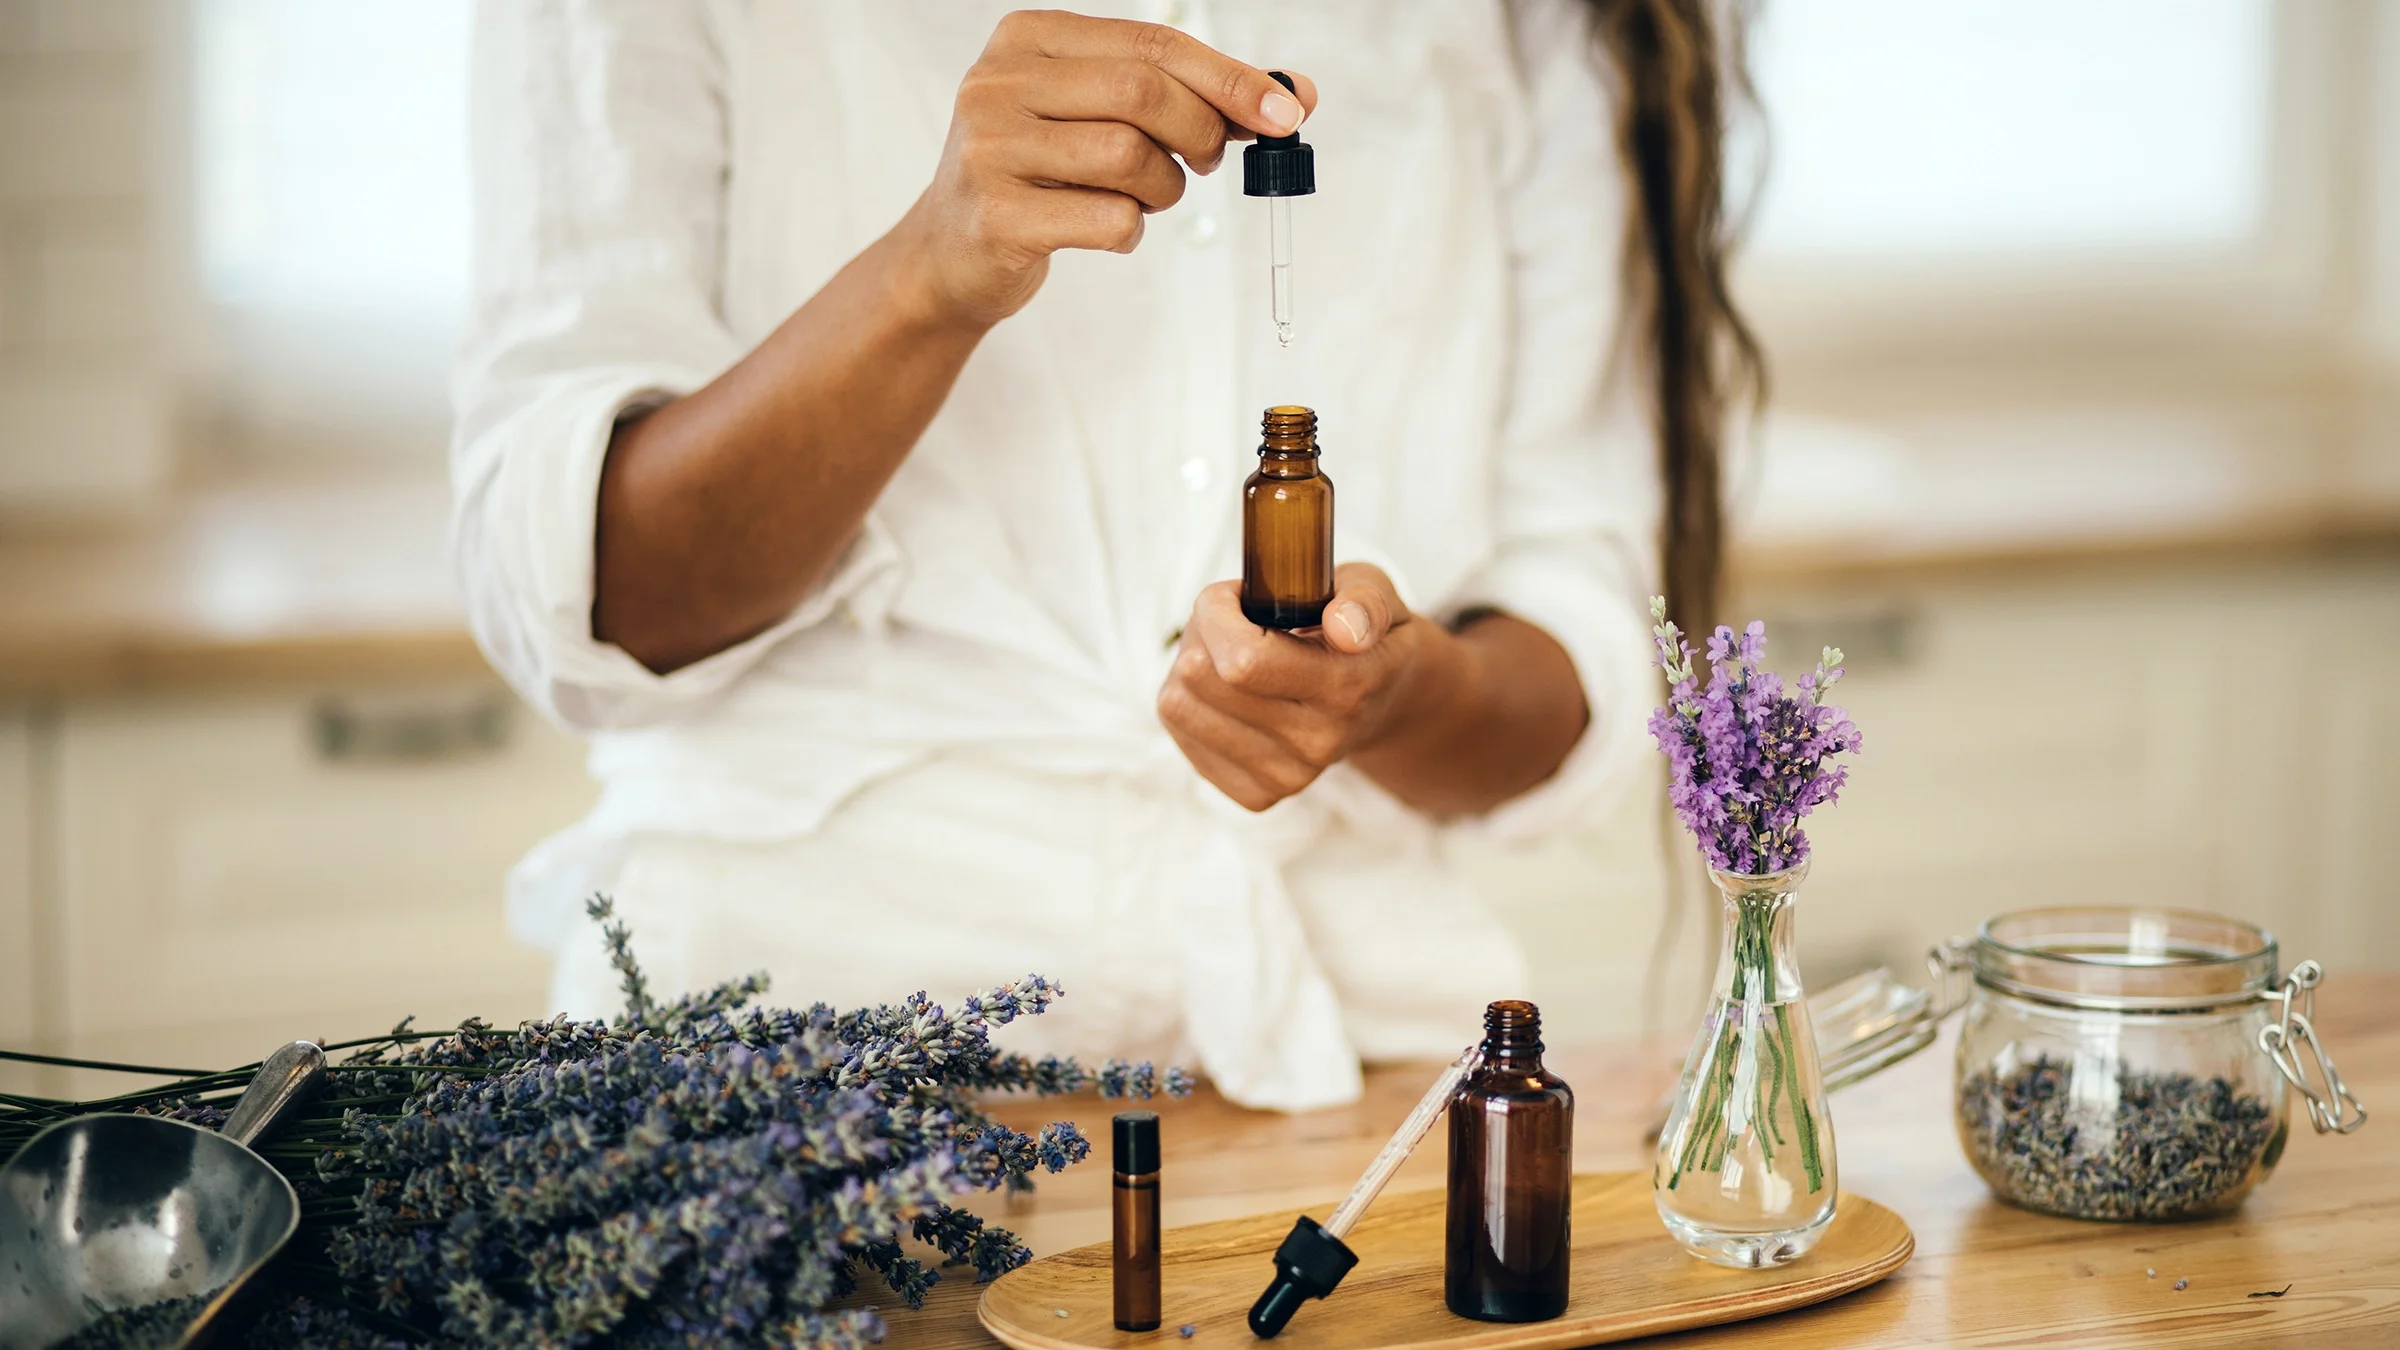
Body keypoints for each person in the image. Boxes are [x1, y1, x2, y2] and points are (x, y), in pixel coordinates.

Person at [455, 1, 1758, 1110]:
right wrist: (928, 272)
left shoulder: (1535, 26)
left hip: (1343, 1056)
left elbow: (1576, 635)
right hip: (793, 1062)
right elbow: (588, 595)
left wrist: (1392, 691)